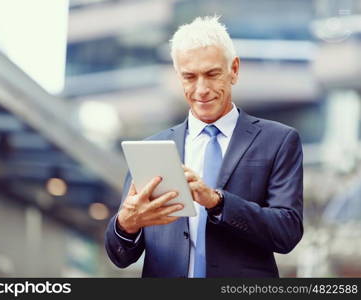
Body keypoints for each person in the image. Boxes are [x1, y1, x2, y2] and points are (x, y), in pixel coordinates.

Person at [105, 16, 303, 277]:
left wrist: (217, 202)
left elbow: (287, 232)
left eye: (212, 74)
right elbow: (120, 256)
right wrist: (126, 224)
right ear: (179, 77)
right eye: (189, 77)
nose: (202, 89)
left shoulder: (278, 140)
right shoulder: (151, 148)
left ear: (234, 69)